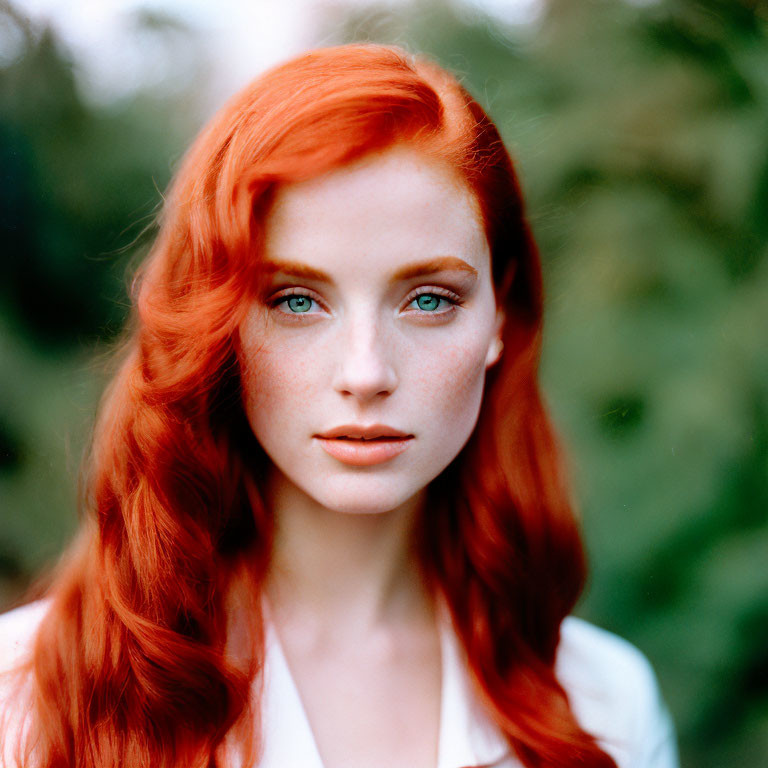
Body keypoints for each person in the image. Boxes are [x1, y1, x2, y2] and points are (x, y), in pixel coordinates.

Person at [0, 43, 679, 768]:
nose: (366, 372)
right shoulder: (26, 699)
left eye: (428, 300)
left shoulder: (605, 706)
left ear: (500, 317)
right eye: (297, 300)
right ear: (217, 323)